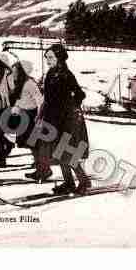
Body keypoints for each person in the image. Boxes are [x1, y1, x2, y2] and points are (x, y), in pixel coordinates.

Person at [35, 44, 91, 195]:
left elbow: (80, 94)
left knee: (67, 153)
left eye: (51, 57)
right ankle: (68, 183)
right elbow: (48, 99)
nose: (48, 60)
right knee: (58, 153)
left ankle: (84, 181)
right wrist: (42, 116)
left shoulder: (66, 74)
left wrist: (70, 107)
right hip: (53, 119)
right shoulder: (51, 74)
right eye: (46, 58)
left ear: (59, 58)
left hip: (68, 120)